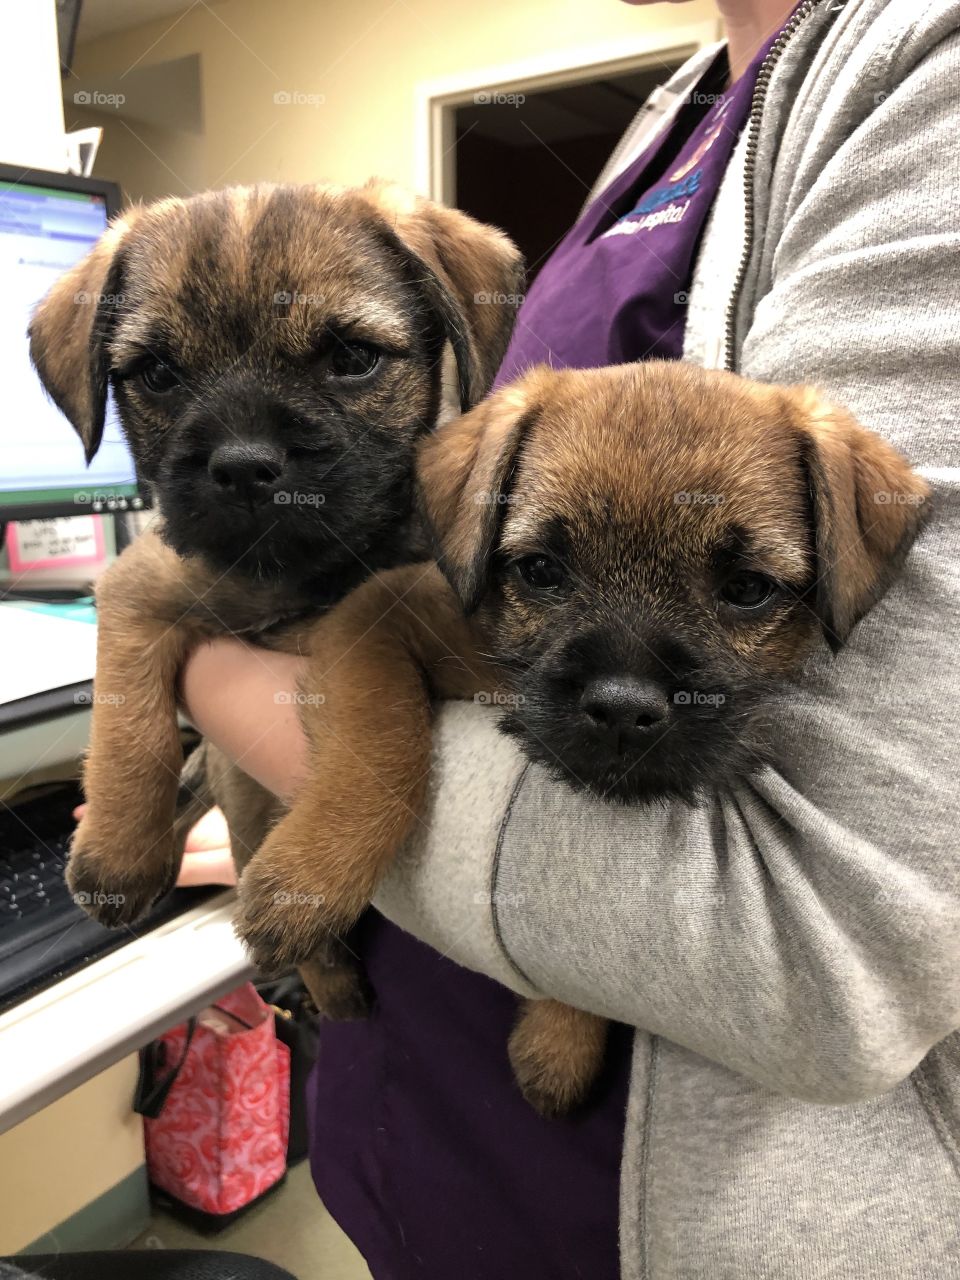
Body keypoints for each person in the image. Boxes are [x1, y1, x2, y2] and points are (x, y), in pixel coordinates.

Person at [178, 0, 960, 1274]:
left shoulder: (927, 80)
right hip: (421, 1166)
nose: (627, 689)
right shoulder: (676, 115)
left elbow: (829, 944)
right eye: (542, 565)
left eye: (748, 591)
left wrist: (215, 679)